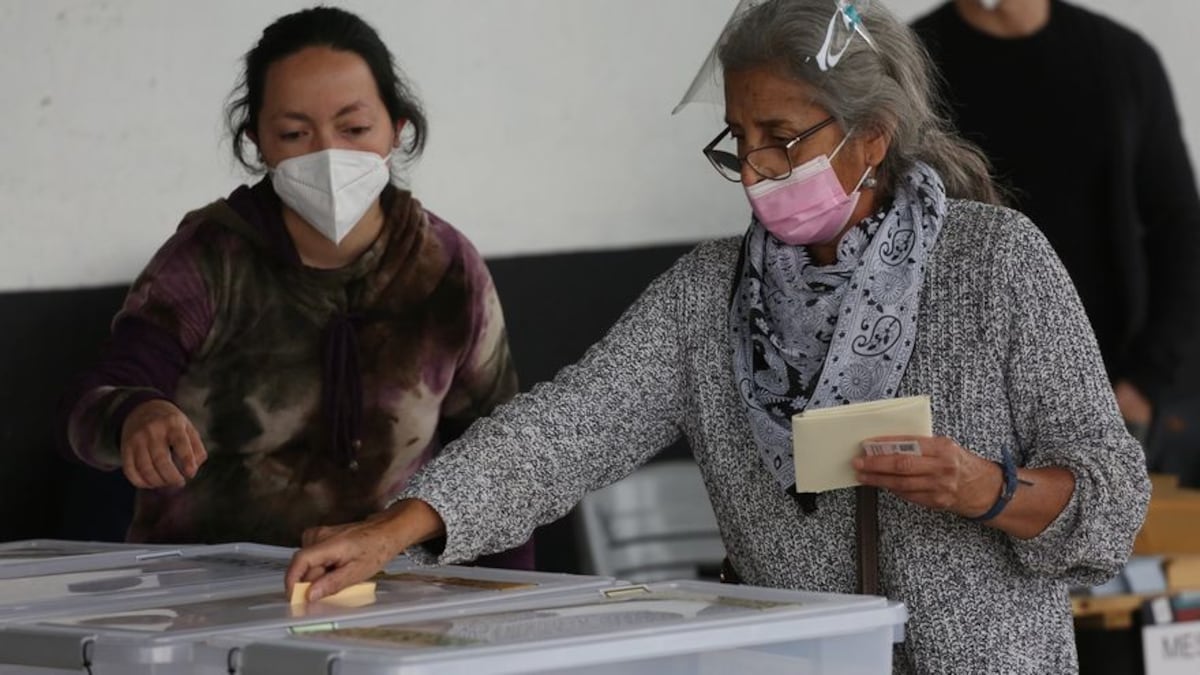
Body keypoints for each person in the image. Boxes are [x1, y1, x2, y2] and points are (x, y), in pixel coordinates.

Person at [287, 1, 1149, 671]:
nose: (760, 167)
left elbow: (1111, 501)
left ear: (871, 138)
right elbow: (567, 429)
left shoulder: (995, 263)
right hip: (792, 664)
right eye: (740, 140)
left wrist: (983, 487)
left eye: (783, 137)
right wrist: (396, 528)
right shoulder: (710, 293)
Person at [61, 7, 533, 569]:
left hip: (397, 606)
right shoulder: (209, 259)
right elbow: (94, 407)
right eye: (293, 133)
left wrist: (506, 610)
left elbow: (500, 460)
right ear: (257, 141)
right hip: (204, 600)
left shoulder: (445, 268)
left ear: (397, 130)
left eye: (354, 128)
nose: (327, 154)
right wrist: (134, 415)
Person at [912, 0, 1200, 454]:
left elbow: (1181, 229)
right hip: (956, 408)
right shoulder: (911, 63)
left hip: (1107, 398)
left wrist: (1145, 384)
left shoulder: (1121, 61)